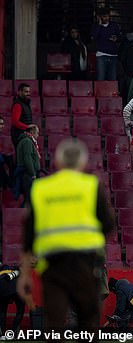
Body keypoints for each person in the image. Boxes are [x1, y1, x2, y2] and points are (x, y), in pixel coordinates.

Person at [17, 139, 115, 335]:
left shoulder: (40, 189)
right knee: (88, 324)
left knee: (54, 324)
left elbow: (28, 237)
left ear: (57, 162)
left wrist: (25, 275)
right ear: (83, 162)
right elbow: (108, 225)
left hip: (53, 266)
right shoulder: (92, 185)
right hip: (86, 264)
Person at [91, 8, 120, 81]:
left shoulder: (114, 25)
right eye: (104, 16)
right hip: (101, 55)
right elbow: (94, 36)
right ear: (100, 17)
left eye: (107, 16)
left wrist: (116, 38)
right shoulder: (96, 26)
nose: (106, 18)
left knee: (113, 78)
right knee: (101, 78)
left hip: (113, 55)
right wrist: (99, 25)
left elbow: (120, 36)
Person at [15, 124, 41, 207]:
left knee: (29, 198)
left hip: (28, 173)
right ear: (32, 132)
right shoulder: (27, 141)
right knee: (29, 198)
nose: (38, 135)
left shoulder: (27, 141)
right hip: (28, 174)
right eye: (37, 133)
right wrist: (32, 173)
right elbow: (27, 158)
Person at [0, 264, 25, 336]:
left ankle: (3, 335)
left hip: (3, 286)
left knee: (2, 311)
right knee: (20, 310)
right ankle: (11, 334)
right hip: (16, 286)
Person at [11, 83, 32, 150]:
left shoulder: (26, 104)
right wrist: (27, 127)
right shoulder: (18, 104)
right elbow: (15, 121)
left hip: (24, 134)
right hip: (19, 135)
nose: (28, 93)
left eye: (29, 91)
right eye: (26, 91)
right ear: (19, 92)